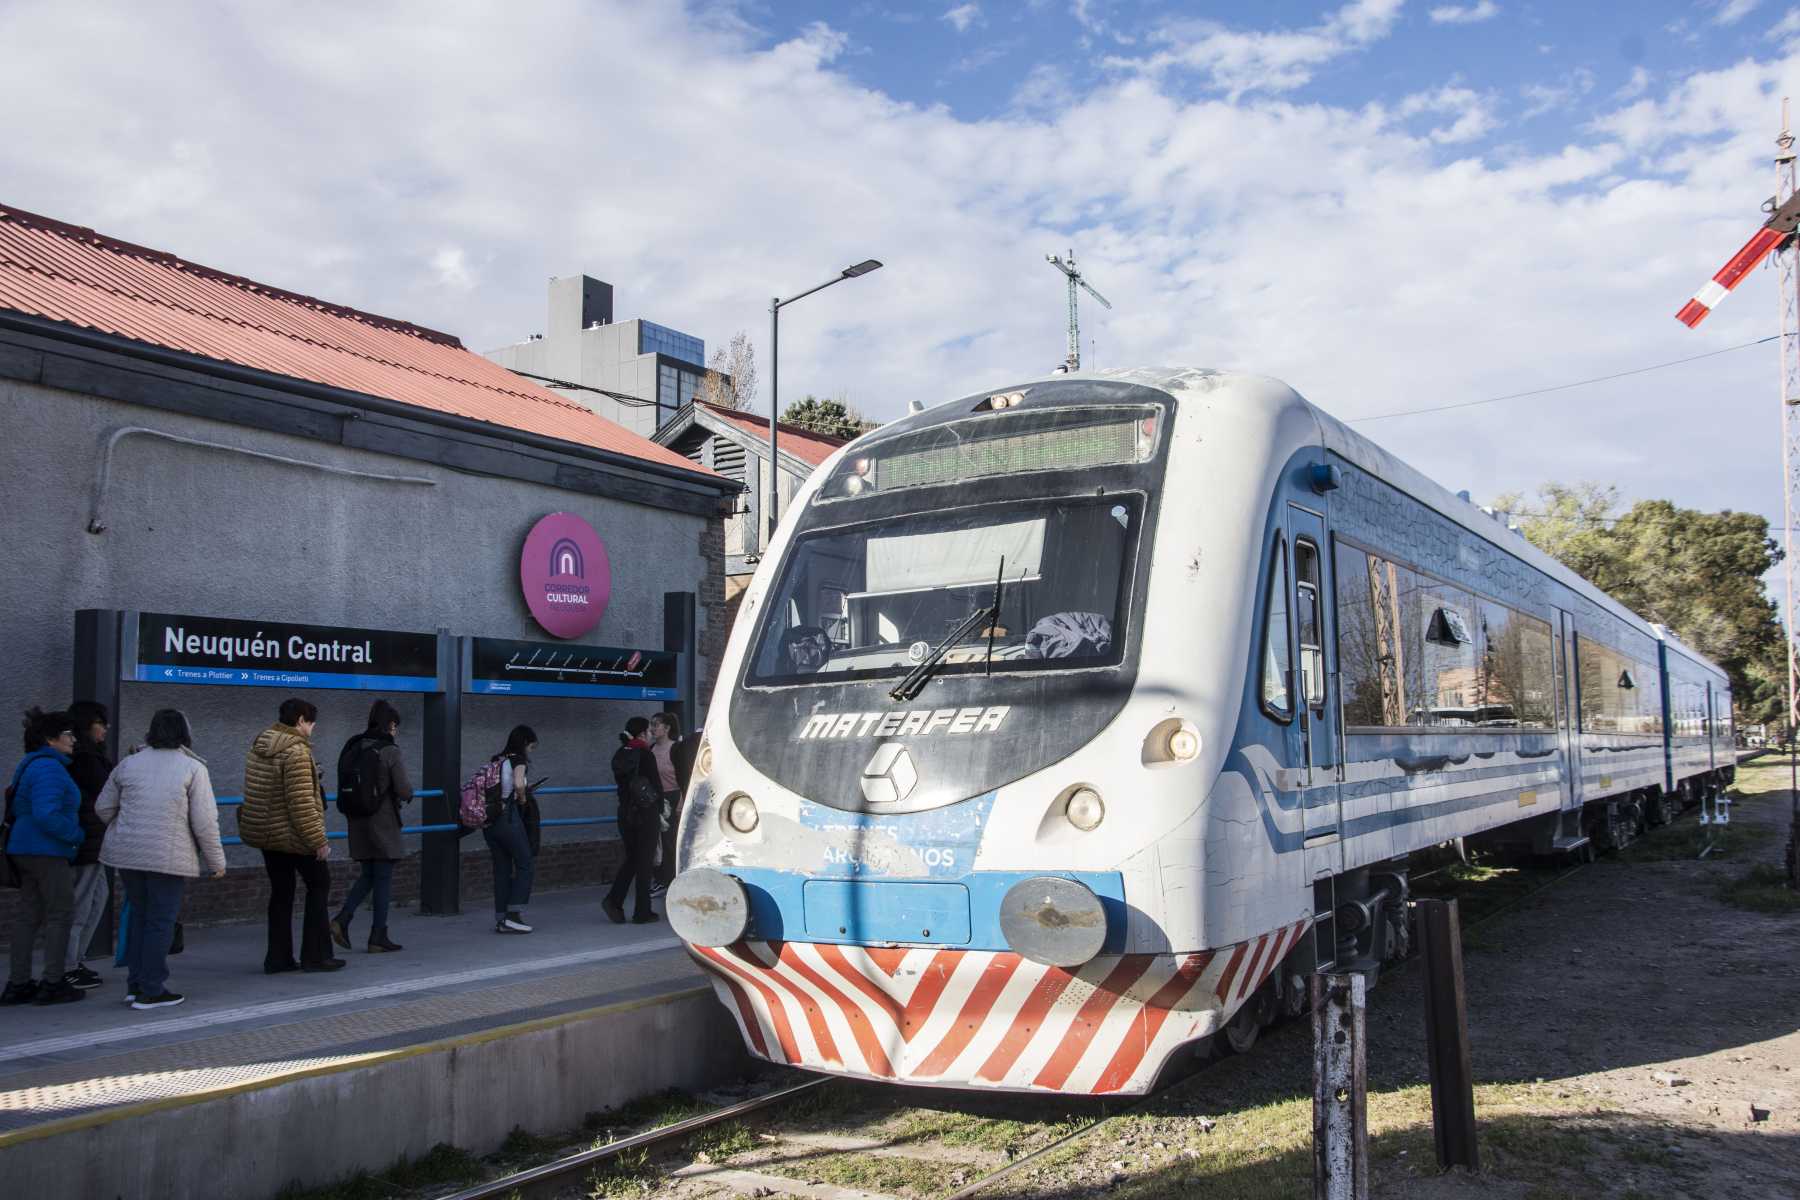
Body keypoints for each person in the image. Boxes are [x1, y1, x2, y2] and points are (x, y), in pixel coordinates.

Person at [95, 709, 226, 1009]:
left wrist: (125, 829)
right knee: (160, 922)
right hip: (168, 857)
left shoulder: (129, 764)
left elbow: (103, 807)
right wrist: (216, 862)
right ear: (185, 733)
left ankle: (135, 983)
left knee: (140, 918)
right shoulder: (193, 768)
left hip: (127, 855)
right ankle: (152, 990)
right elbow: (205, 821)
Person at [240, 698, 342, 973]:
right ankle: (316, 955)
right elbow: (300, 804)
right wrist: (318, 841)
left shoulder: (260, 745)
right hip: (293, 835)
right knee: (319, 884)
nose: (312, 729)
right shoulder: (296, 751)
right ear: (300, 720)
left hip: (266, 833)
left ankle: (278, 957)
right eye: (311, 723)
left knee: (281, 893)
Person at [3, 709, 85, 1006]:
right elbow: (46, 813)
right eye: (68, 734)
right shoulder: (50, 769)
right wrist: (75, 834)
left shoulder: (31, 765)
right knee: (60, 914)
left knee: (28, 917)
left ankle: (19, 982)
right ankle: (53, 982)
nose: (74, 740)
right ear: (50, 739)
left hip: (23, 848)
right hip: (47, 851)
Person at [330, 700, 412, 953]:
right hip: (382, 821)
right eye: (395, 726)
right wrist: (409, 794)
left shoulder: (354, 745)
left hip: (357, 819)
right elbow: (403, 788)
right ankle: (378, 935)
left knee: (368, 874)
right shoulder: (389, 750)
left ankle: (343, 919)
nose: (395, 731)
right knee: (384, 877)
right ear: (390, 724)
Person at [63, 700, 114, 991]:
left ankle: (75, 960)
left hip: (91, 841)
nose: (105, 728)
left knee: (96, 900)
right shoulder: (85, 759)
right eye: (100, 723)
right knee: (82, 904)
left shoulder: (87, 756)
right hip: (85, 842)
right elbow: (106, 791)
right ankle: (68, 965)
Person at [604, 717, 662, 925]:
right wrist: (661, 810)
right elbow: (656, 785)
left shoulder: (621, 753)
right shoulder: (645, 754)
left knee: (632, 859)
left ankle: (614, 900)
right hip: (646, 813)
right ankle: (642, 911)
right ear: (642, 733)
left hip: (625, 813)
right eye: (648, 730)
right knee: (644, 862)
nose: (650, 733)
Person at [484, 725, 538, 935]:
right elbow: (517, 784)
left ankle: (501, 918)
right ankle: (514, 914)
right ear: (525, 743)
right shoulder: (518, 759)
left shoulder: (496, 759)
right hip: (508, 818)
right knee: (525, 862)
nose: (530, 751)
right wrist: (523, 798)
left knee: (502, 869)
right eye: (531, 747)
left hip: (490, 821)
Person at [647, 712, 684, 893]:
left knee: (669, 841)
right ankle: (660, 878)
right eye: (651, 725)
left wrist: (681, 802)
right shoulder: (651, 748)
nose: (653, 728)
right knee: (656, 842)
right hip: (657, 799)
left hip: (674, 797)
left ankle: (669, 880)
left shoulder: (676, 749)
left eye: (656, 724)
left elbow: (685, 778)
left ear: (667, 728)